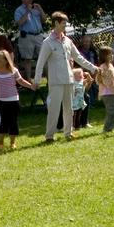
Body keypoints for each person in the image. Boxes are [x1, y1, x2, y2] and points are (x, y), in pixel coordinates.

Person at [34, 12, 97, 141]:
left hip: (69, 79)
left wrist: (93, 67)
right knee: (54, 108)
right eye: (63, 24)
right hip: (56, 81)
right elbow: (40, 63)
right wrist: (36, 80)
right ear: (56, 23)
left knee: (69, 108)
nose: (65, 26)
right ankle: (49, 135)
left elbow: (78, 57)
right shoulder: (48, 42)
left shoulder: (68, 41)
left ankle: (68, 133)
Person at [0, 49, 33, 151]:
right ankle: (1, 142)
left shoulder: (14, 71)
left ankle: (12, 142)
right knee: (3, 122)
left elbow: (21, 81)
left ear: (6, 61)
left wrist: (31, 86)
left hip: (13, 101)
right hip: (1, 101)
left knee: (13, 122)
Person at [14, 0, 47, 70]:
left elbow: (44, 20)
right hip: (27, 37)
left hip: (38, 36)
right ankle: (29, 80)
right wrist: (28, 11)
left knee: (44, 58)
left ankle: (49, 81)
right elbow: (20, 23)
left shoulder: (36, 8)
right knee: (27, 59)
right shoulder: (19, 10)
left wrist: (40, 9)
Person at [97, 48, 114, 131]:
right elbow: (101, 79)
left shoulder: (110, 66)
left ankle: (112, 127)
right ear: (105, 56)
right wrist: (108, 84)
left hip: (111, 91)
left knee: (113, 110)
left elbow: (112, 79)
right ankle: (108, 128)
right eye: (110, 54)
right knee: (112, 111)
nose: (112, 56)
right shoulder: (103, 67)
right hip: (106, 92)